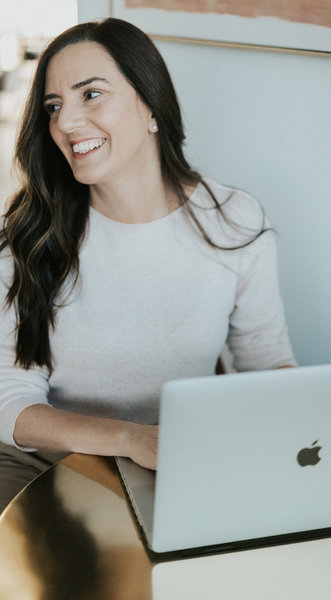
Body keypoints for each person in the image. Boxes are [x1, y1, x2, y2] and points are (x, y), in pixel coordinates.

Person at [0, 18, 296, 512]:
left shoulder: (234, 222)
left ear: (151, 105)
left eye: (90, 95)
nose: (66, 122)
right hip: (43, 465)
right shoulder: (29, 235)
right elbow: (12, 404)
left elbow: (266, 364)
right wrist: (133, 439)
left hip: (178, 461)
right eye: (53, 107)